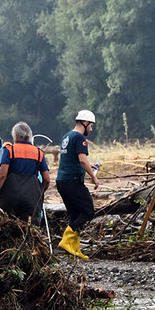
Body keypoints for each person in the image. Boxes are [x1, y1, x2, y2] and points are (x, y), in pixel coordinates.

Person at [56, 110, 100, 259]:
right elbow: (82, 159)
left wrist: (90, 165)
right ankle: (66, 240)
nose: (91, 129)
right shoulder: (80, 138)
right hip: (72, 181)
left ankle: (74, 249)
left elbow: (73, 159)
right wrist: (93, 177)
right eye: (91, 126)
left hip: (62, 181)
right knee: (88, 211)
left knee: (75, 215)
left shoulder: (66, 136)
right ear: (85, 123)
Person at [0, 122, 50, 221]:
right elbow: (46, 179)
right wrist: (39, 193)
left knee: (8, 226)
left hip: (10, 198)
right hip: (31, 199)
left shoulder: (10, 151)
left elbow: (2, 176)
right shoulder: (39, 153)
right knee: (30, 229)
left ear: (16, 136)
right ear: (29, 136)